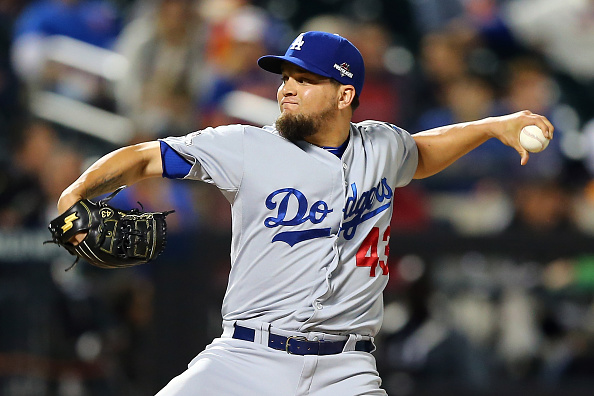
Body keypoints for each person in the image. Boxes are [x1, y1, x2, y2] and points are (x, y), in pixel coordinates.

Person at [55, 31, 553, 395]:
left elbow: (422, 153)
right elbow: (143, 156)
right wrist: (76, 190)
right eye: (285, 77)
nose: (285, 89)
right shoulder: (245, 146)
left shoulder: (380, 145)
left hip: (347, 371)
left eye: (304, 79)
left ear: (345, 94)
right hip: (248, 357)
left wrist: (492, 126)